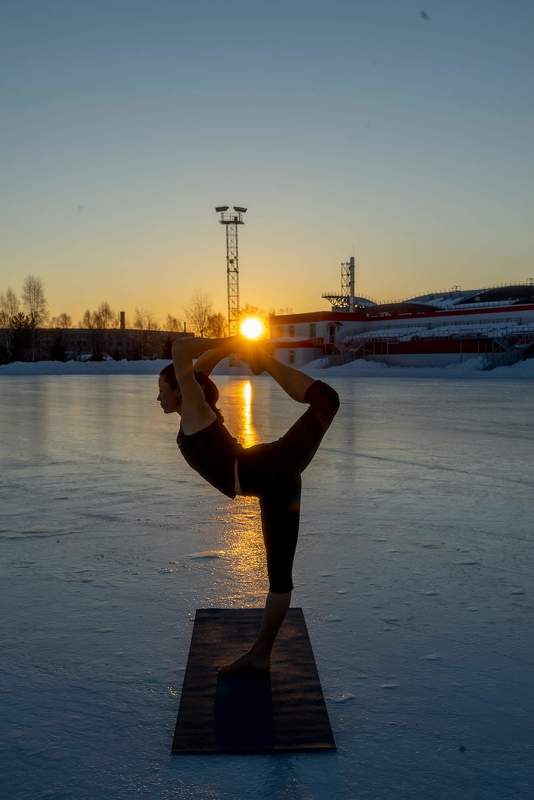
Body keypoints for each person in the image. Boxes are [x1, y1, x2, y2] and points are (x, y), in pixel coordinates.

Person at [157, 335, 340, 675]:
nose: (158, 397)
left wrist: (235, 340)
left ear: (180, 390)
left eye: (162, 390)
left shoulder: (194, 410)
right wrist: (234, 346)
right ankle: (260, 655)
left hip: (272, 468)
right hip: (274, 481)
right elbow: (198, 368)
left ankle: (268, 362)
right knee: (280, 580)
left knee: (327, 401)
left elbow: (182, 354)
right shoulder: (195, 405)